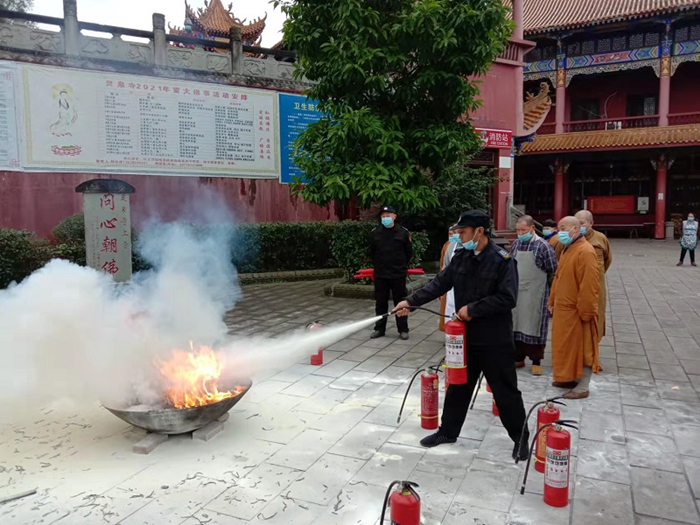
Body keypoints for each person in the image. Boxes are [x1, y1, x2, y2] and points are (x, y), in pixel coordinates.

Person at [393, 210, 529, 460]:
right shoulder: (462, 256)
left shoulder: (503, 260)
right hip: (466, 338)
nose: (459, 236)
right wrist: (409, 302)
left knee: (504, 390)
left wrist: (472, 309)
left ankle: (520, 438)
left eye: (463, 232)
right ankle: (448, 432)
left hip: (494, 339)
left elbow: (508, 298)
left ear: (479, 231)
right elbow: (439, 283)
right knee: (458, 386)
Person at [548, 216, 602, 400]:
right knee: (565, 346)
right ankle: (568, 378)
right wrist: (552, 299)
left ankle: (583, 386)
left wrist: (586, 310)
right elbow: (558, 277)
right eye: (559, 227)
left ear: (576, 229)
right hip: (563, 310)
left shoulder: (585, 251)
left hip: (577, 310)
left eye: (563, 228)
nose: (560, 231)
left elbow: (590, 284)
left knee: (583, 347)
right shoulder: (568, 248)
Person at [511, 215, 558, 376]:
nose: (520, 233)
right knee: (516, 324)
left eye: (523, 230)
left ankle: (536, 360)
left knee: (535, 325)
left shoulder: (543, 246)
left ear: (532, 228)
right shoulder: (516, 244)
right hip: (517, 293)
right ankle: (518, 357)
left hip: (535, 294)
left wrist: (553, 295)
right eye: (518, 230)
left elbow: (553, 270)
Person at [370, 206, 412, 340]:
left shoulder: (403, 233)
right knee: (380, 303)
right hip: (381, 274)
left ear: (394, 216)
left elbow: (409, 253)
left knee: (400, 303)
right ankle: (379, 329)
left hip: (398, 274)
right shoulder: (375, 232)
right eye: (383, 216)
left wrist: (401, 266)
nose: (386, 218)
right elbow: (371, 252)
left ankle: (403, 329)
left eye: (388, 215)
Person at [575, 210, 613, 341]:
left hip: (595, 285)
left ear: (591, 223)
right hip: (574, 285)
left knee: (595, 315)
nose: (578, 227)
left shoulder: (600, 238)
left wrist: (594, 274)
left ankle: (592, 352)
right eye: (576, 224)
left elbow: (608, 260)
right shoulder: (569, 239)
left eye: (582, 223)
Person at [438, 225, 462, 331]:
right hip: (450, 287)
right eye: (451, 233)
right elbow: (444, 268)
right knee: (449, 311)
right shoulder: (449, 247)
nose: (454, 235)